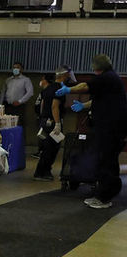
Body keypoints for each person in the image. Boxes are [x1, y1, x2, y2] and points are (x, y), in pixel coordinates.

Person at [56, 54, 127, 209]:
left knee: (106, 161)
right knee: (106, 160)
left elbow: (85, 87)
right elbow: (97, 100)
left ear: (96, 67)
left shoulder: (106, 78)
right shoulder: (111, 79)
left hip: (111, 128)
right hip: (112, 128)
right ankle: (105, 193)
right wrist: (84, 106)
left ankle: (104, 198)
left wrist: (69, 89)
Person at [33, 67, 74, 181]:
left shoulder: (48, 88)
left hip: (46, 121)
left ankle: (44, 170)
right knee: (51, 148)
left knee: (48, 147)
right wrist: (57, 123)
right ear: (64, 76)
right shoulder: (59, 89)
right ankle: (41, 171)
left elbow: (42, 105)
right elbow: (54, 106)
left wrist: (42, 118)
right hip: (52, 122)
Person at [31, 73, 55, 159]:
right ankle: (41, 151)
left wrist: (42, 115)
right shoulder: (43, 92)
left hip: (45, 117)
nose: (41, 81)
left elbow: (43, 105)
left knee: (44, 136)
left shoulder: (48, 92)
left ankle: (43, 152)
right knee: (41, 135)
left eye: (43, 79)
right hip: (41, 117)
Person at [1, 61, 33, 127]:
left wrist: (19, 101)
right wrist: (1, 105)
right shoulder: (8, 80)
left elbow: (30, 92)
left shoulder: (25, 80)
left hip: (19, 107)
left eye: (18, 67)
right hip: (8, 106)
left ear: (21, 69)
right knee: (7, 125)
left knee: (19, 125)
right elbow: (3, 92)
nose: (15, 69)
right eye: (14, 67)